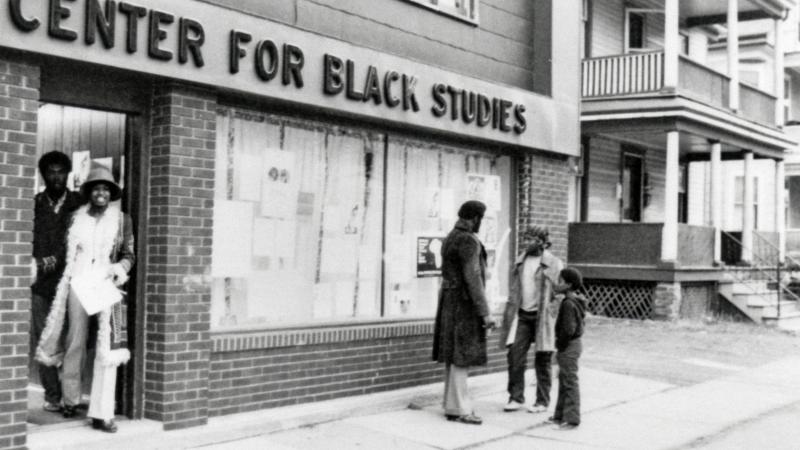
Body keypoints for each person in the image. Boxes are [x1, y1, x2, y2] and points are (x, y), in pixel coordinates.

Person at [36, 163, 134, 433]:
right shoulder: (74, 217)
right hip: (78, 283)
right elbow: (62, 250)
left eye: (106, 188)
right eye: (95, 188)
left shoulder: (122, 220)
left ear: (111, 193)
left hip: (105, 286)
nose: (100, 193)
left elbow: (129, 255)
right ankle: (70, 400)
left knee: (107, 347)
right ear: (89, 192)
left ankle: (103, 414)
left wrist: (119, 270)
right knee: (74, 341)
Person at [432, 200, 495, 425]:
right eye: (481, 219)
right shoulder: (468, 240)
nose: (481, 223)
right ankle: (460, 408)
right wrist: (485, 312)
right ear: (476, 217)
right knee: (462, 356)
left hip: (449, 301)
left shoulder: (451, 237)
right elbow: (473, 278)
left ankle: (451, 405)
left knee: (453, 354)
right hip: (464, 304)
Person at [31, 151, 82, 413]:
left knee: (72, 338)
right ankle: (52, 396)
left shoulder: (78, 202)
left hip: (72, 281)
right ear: (43, 175)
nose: (56, 176)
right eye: (51, 171)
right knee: (45, 338)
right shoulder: (34, 203)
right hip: (40, 285)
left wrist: (47, 262)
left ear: (68, 173)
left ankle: (72, 396)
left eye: (61, 171)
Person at [500, 226, 564, 413]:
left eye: (532, 239)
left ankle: (542, 401)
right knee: (515, 356)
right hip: (522, 315)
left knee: (543, 359)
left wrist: (552, 313)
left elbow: (559, 293)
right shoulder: (521, 261)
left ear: (543, 242)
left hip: (542, 317)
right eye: (525, 238)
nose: (527, 242)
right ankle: (516, 398)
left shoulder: (553, 263)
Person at [550, 267, 588, 429]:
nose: (557, 284)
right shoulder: (575, 301)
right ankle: (560, 415)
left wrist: (560, 346)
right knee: (564, 380)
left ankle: (572, 419)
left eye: (560, 281)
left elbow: (568, 329)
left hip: (569, 346)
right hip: (574, 345)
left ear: (568, 284)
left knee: (569, 381)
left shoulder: (568, 304)